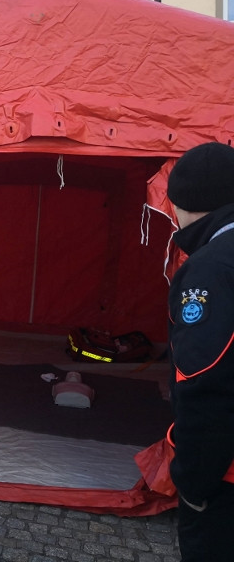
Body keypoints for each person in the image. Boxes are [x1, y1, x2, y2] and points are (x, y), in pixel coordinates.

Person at [165, 141, 234, 561]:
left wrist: (191, 482)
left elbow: (204, 381)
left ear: (182, 203)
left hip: (224, 477)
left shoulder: (211, 268)